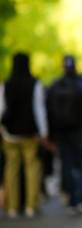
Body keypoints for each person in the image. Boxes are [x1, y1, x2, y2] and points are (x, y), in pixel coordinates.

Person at [0, 52, 50, 218]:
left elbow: (2, 109)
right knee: (32, 169)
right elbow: (39, 109)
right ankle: (30, 206)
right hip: (30, 134)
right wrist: (43, 132)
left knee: (11, 169)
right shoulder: (34, 84)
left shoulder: (5, 84)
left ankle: (12, 207)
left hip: (10, 134)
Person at [47, 55, 82, 214]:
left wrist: (51, 134)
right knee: (80, 164)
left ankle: (71, 199)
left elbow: (49, 112)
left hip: (62, 133)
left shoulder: (55, 86)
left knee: (66, 165)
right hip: (79, 131)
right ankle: (80, 198)